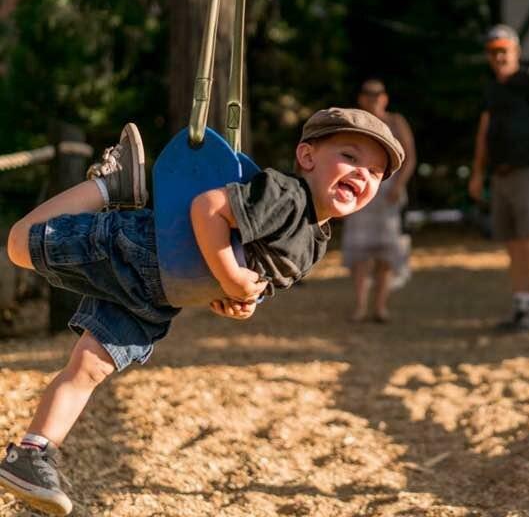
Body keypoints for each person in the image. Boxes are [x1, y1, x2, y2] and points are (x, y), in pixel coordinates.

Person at [0, 108, 404, 516]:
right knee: (20, 244)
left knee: (88, 368)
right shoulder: (287, 196)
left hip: (160, 296)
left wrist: (238, 300)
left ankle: (32, 453)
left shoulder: (315, 240)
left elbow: (248, 270)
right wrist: (230, 277)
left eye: (374, 172)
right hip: (141, 253)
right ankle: (111, 187)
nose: (362, 174)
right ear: (307, 156)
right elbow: (207, 209)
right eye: (350, 157)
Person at [468, 24, 529, 331]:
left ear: (516, 51)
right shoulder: (491, 89)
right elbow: (484, 132)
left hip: (528, 170)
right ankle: (521, 304)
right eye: (493, 51)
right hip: (500, 173)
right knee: (512, 241)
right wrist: (478, 172)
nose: (499, 56)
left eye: (504, 50)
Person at [341, 79, 417, 323]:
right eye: (368, 93)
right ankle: (360, 305)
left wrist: (399, 184)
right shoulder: (354, 121)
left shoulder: (396, 122)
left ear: (385, 97)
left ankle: (380, 306)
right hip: (360, 189)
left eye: (378, 93)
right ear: (361, 97)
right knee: (360, 252)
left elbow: (409, 157)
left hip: (388, 192)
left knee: (386, 252)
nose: (373, 97)